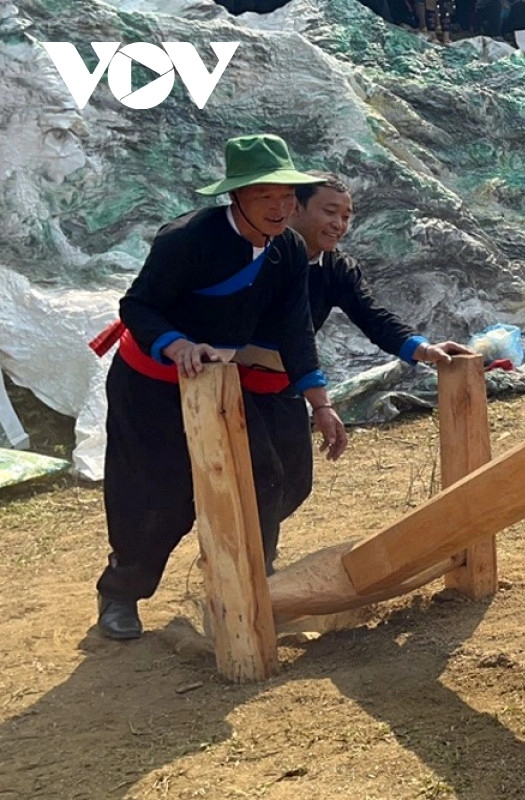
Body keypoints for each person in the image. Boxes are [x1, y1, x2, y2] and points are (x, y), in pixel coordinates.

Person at [92, 134, 348, 640]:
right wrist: (177, 343)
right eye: (264, 197)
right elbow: (137, 305)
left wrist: (320, 402)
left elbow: (295, 327)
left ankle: (253, 586)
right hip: (152, 383)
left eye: (287, 197)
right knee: (156, 497)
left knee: (277, 477)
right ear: (236, 198)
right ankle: (121, 592)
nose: (279, 209)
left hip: (223, 383)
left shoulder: (289, 249)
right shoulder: (186, 239)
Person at [287, 172, 472, 366]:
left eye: (345, 217)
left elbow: (373, 318)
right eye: (330, 212)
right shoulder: (264, 255)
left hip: (291, 381)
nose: (338, 224)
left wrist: (425, 350)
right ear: (295, 207)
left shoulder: (338, 269)